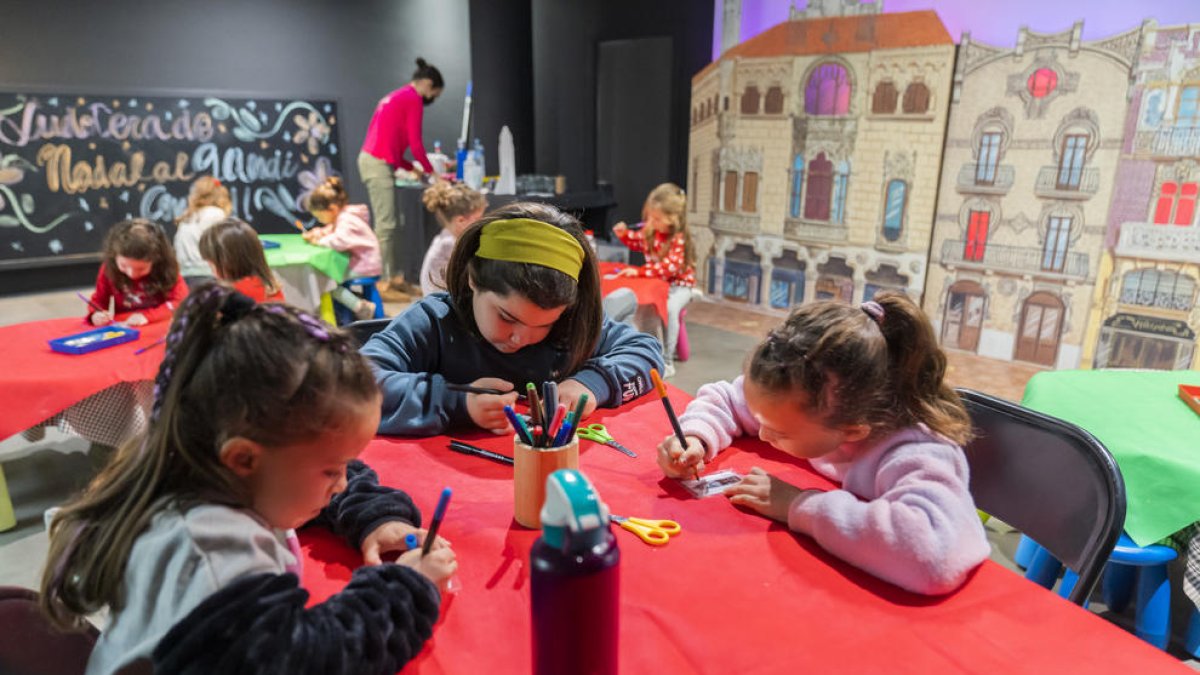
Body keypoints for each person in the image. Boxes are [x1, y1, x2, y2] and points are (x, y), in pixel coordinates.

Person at [41, 284, 458, 675]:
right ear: (243, 458)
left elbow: (308, 476)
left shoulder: (197, 471)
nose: (343, 483)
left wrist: (374, 517)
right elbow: (313, 659)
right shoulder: (215, 551)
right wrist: (407, 587)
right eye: (333, 470)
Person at [656, 292, 989, 595]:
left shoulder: (918, 452)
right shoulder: (807, 399)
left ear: (852, 431)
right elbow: (729, 398)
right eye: (763, 421)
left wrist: (799, 505)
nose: (761, 434)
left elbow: (930, 555)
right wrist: (697, 436)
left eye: (779, 432)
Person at [360, 202, 664, 436]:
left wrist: (591, 384)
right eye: (507, 317)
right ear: (472, 279)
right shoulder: (433, 322)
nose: (521, 337)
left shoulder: (571, 326)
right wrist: (456, 402)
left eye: (544, 325)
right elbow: (357, 384)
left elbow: (647, 353)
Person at [359, 57, 444, 302]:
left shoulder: (399, 96)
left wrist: (413, 169)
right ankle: (384, 284)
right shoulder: (413, 98)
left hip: (379, 161)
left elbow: (394, 149)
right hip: (376, 164)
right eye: (434, 94)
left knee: (391, 224)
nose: (432, 99)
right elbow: (416, 144)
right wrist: (432, 174)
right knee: (386, 225)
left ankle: (395, 279)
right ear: (427, 84)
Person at [608, 183, 696, 378]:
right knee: (645, 306)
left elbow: (668, 268)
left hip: (679, 286)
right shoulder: (652, 232)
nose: (650, 222)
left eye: (656, 219)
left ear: (673, 219)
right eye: (648, 217)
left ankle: (667, 360)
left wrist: (641, 272)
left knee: (671, 309)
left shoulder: (678, 239)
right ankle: (646, 352)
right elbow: (636, 241)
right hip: (658, 283)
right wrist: (624, 235)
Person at [303, 176, 383, 321]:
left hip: (364, 265)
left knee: (328, 283)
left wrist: (319, 241)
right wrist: (317, 233)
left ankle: (359, 307)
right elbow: (331, 230)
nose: (320, 221)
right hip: (366, 262)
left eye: (320, 217)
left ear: (332, 209)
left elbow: (340, 240)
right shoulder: (344, 216)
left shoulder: (346, 220)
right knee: (331, 280)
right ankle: (348, 310)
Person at [87, 219, 188, 327]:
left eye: (141, 269)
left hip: (157, 327)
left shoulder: (165, 268)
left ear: (155, 261)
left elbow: (180, 301)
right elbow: (99, 301)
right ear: (114, 257)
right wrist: (96, 315)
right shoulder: (109, 269)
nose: (132, 274)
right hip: (126, 329)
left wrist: (147, 316)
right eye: (124, 266)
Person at [419, 181, 485, 296]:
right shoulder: (449, 244)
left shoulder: (446, 237)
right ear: (460, 221)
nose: (481, 222)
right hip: (442, 303)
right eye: (478, 218)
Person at [199, 217, 285, 303]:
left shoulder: (230, 296)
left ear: (227, 262)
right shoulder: (269, 287)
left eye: (211, 265)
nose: (212, 272)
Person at [174, 176, 233, 289]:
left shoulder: (188, 216)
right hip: (207, 273)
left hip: (184, 276)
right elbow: (224, 247)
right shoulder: (216, 214)